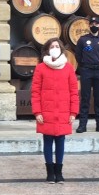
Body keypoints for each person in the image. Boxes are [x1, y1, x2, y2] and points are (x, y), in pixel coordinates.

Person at [32, 38, 79, 184]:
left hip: (63, 111)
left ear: (61, 49)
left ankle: (59, 172)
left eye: (57, 46)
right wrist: (37, 112)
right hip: (46, 112)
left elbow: (74, 91)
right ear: (47, 49)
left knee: (60, 141)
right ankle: (50, 173)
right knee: (47, 141)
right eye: (52, 46)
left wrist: (73, 112)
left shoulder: (68, 68)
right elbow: (35, 92)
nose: (55, 48)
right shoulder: (40, 68)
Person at [75, 16, 99, 133]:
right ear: (89, 26)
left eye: (96, 24)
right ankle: (82, 125)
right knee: (85, 98)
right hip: (86, 71)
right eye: (92, 24)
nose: (94, 26)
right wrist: (85, 65)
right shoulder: (83, 40)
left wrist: (98, 64)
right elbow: (78, 56)